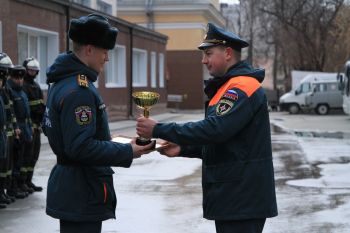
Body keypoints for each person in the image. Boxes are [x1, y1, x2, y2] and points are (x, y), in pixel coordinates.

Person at [136, 23, 278, 233]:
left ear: (228, 53)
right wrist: (183, 149)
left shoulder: (240, 87)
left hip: (241, 199)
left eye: (208, 54)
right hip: (236, 196)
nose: (204, 60)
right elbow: (227, 144)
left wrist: (158, 129)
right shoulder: (229, 86)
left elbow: (215, 129)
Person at [42, 14, 154, 233]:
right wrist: (128, 150)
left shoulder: (63, 82)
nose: (107, 58)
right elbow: (81, 147)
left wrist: (118, 144)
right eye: (105, 51)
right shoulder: (78, 91)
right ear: (89, 49)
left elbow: (73, 138)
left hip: (74, 188)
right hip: (81, 191)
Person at [6, 65, 33, 197]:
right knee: (15, 160)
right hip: (16, 129)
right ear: (11, 77)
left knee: (23, 158)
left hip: (25, 128)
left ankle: (20, 184)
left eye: (21, 78)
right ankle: (13, 188)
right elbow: (12, 113)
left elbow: (27, 113)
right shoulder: (10, 91)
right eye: (16, 78)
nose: (20, 80)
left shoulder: (22, 92)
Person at [22, 57, 45, 192]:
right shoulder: (23, 86)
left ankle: (28, 181)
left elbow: (40, 105)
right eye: (30, 70)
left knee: (34, 155)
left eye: (35, 71)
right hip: (28, 125)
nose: (33, 73)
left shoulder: (36, 86)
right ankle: (21, 182)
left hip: (37, 126)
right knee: (25, 155)